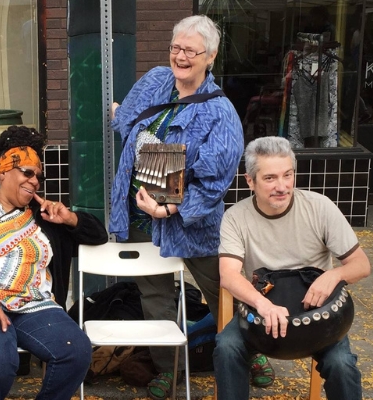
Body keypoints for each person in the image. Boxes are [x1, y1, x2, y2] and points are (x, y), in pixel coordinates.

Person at [107, 15, 251, 398]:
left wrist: (171, 210)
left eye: (190, 50)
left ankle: (250, 354)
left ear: (210, 56)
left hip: (193, 224)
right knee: (155, 296)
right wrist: (118, 115)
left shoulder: (220, 113)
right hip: (139, 213)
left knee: (222, 291)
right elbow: (127, 123)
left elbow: (216, 182)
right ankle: (169, 373)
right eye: (175, 47)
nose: (180, 56)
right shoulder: (155, 80)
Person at [0, 125, 108, 399]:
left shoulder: (43, 215)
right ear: (2, 171)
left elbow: (99, 235)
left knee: (75, 351)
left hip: (34, 305)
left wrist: (70, 218)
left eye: (39, 176)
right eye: (27, 172)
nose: (35, 181)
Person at [214, 136, 371, 400]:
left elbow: (361, 265)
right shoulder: (235, 217)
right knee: (227, 346)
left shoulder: (320, 207)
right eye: (270, 178)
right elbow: (228, 275)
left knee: (342, 365)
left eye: (288, 175)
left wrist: (334, 275)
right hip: (262, 315)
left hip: (319, 318)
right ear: (250, 180)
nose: (282, 186)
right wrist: (262, 304)